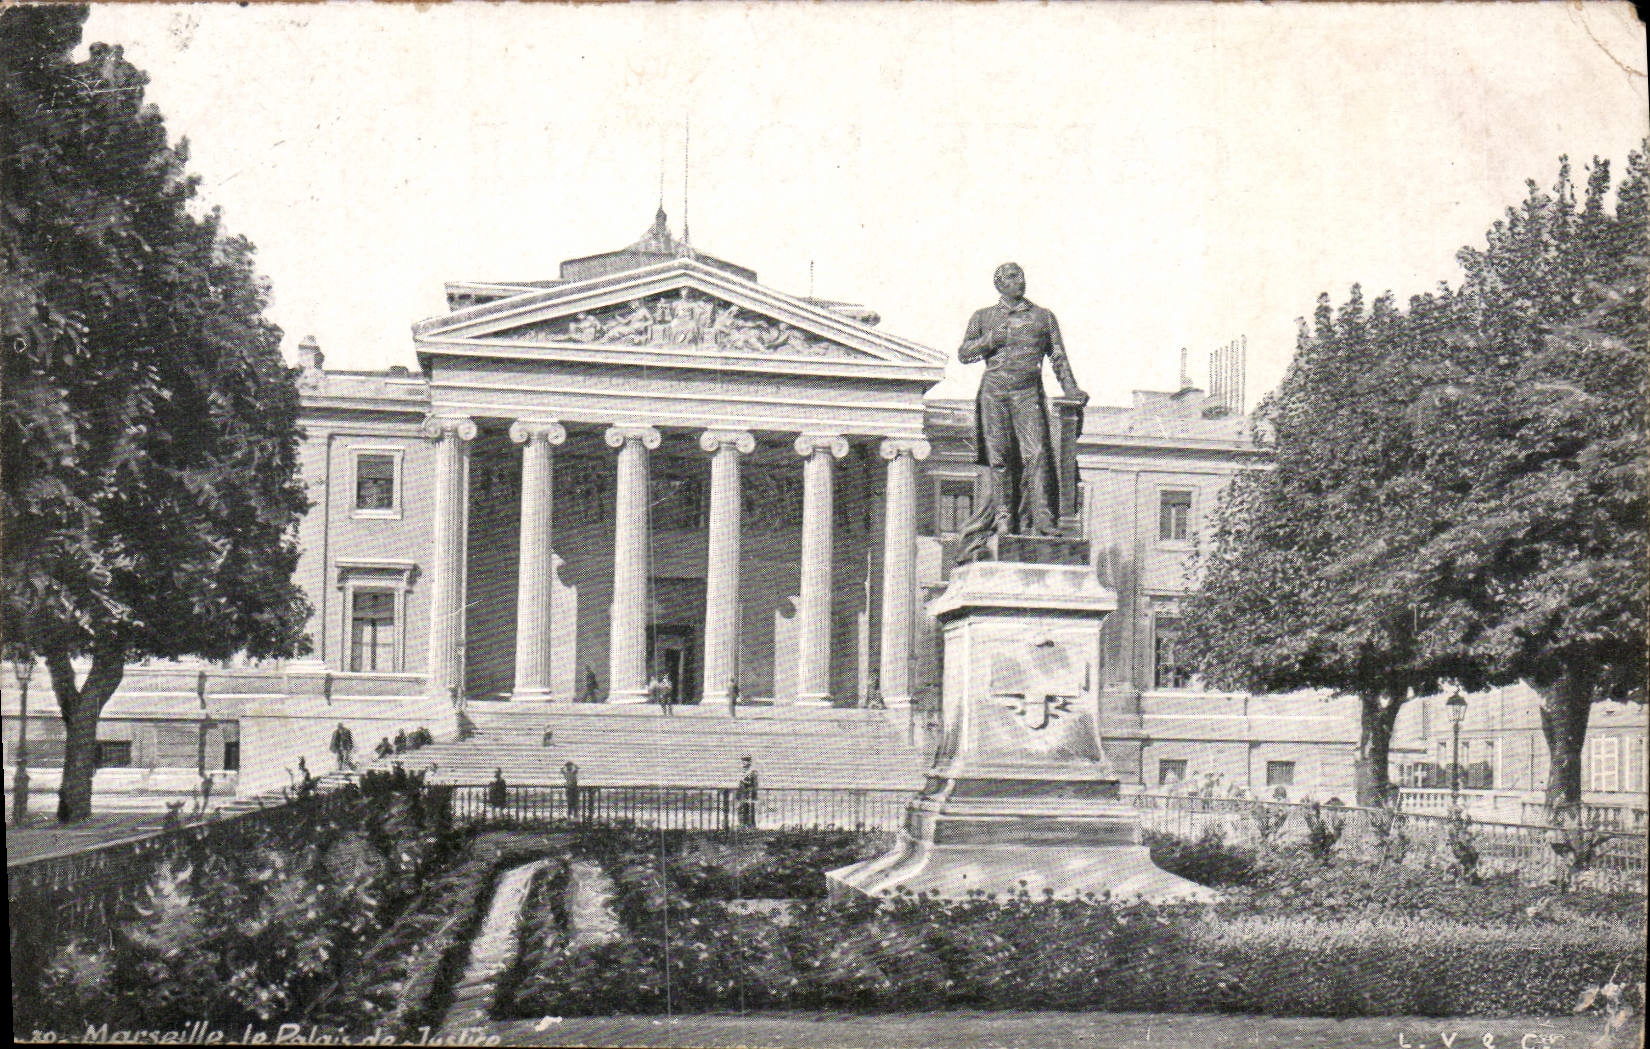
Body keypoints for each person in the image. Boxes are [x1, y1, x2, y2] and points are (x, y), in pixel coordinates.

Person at [956, 262, 1088, 555]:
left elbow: (1058, 358)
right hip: (995, 392)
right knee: (1000, 456)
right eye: (1013, 277)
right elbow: (964, 353)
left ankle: (1043, 518)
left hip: (1027, 393)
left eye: (1022, 276)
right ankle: (1004, 518)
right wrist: (991, 340)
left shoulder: (1043, 317)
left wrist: (1071, 390)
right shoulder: (984, 316)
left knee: (1037, 453)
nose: (1021, 281)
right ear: (999, 284)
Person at [736, 755, 758, 829]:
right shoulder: (743, 772)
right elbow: (740, 785)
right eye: (743, 762)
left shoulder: (752, 772)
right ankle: (743, 824)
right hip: (742, 795)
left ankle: (750, 825)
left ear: (749, 762)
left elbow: (754, 785)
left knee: (749, 810)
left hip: (749, 795)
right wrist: (738, 795)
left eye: (745, 762)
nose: (744, 763)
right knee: (742, 810)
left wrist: (752, 796)